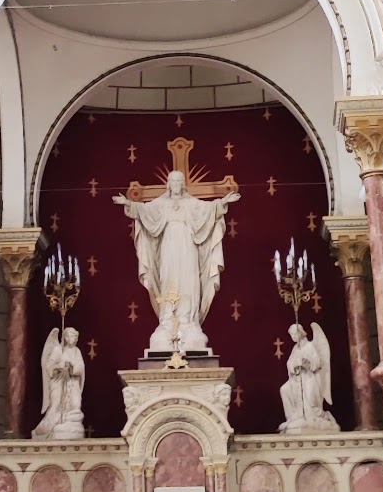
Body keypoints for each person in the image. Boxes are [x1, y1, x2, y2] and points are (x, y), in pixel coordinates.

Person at [115, 169, 238, 351]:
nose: (176, 185)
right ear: (168, 184)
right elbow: (144, 210)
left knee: (188, 281)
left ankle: (188, 320)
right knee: (168, 280)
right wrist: (128, 204)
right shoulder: (162, 203)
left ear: (183, 184)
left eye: (179, 181)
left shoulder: (190, 203)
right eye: (173, 181)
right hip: (168, 248)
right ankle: (167, 320)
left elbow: (208, 209)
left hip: (188, 247)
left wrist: (222, 202)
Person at [32, 325, 86, 440]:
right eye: (68, 336)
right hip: (58, 382)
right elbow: (49, 366)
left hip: (72, 383)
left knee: (75, 403)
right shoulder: (58, 349)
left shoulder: (77, 352)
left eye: (73, 336)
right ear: (64, 337)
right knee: (56, 405)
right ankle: (50, 425)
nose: (70, 338)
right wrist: (60, 366)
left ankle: (67, 421)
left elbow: (81, 368)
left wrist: (71, 367)